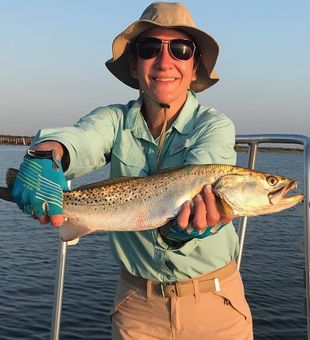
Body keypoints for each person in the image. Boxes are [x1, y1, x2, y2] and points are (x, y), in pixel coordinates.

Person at [12, 2, 253, 339]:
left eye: (181, 50)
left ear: (195, 66)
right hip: (136, 307)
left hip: (215, 303)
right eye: (150, 48)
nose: (165, 61)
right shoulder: (113, 120)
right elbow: (83, 137)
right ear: (135, 64)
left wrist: (184, 229)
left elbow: (203, 170)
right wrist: (47, 153)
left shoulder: (214, 126)